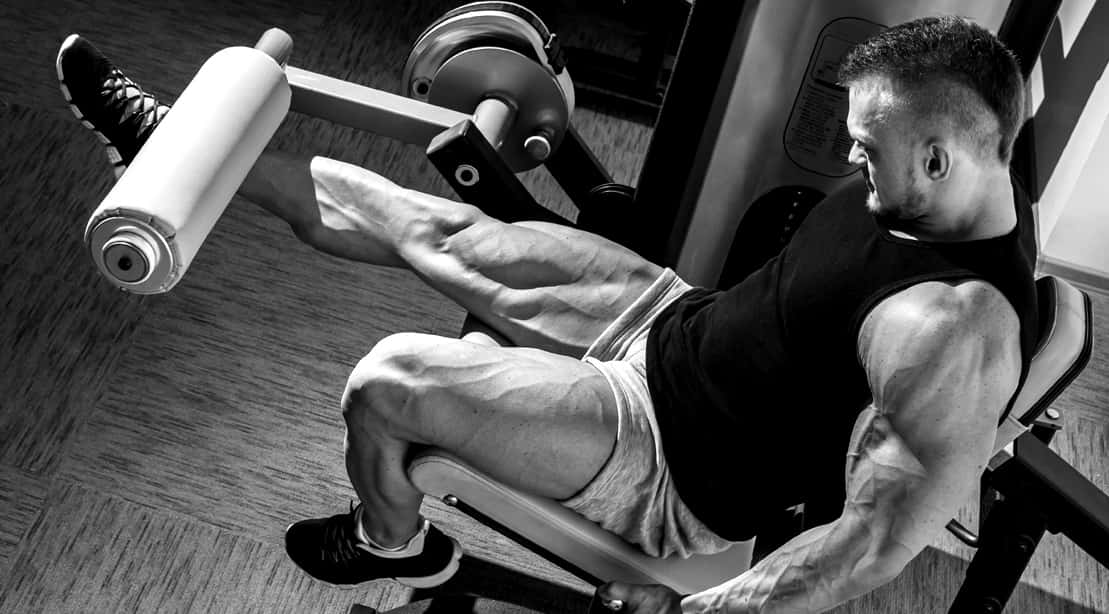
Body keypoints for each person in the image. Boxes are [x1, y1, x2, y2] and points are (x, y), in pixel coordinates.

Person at [56, 14, 1038, 613]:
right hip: (673, 322)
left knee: (389, 380)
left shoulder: (950, 334)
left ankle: (391, 540)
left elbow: (870, 544)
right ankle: (174, 152)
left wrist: (693, 612)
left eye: (868, 147)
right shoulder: (971, 179)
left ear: (939, 156)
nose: (852, 158)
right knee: (442, 229)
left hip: (669, 459)